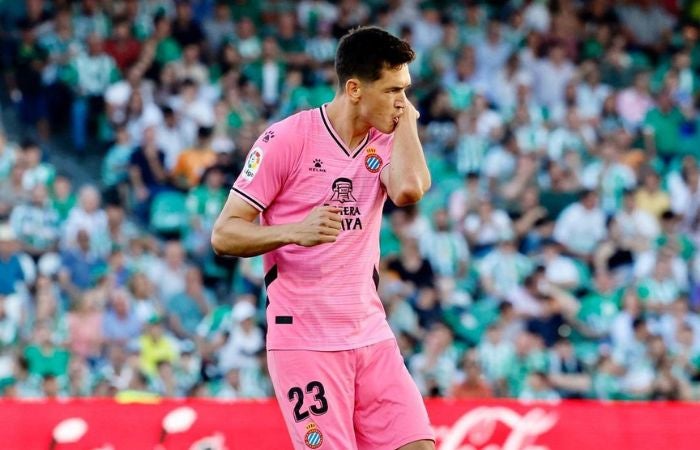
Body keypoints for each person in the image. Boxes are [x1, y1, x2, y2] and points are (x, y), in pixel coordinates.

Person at [212, 26, 434, 450]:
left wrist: (405, 120)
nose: (401, 102)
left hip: (370, 334)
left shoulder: (386, 139)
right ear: (354, 89)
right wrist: (294, 231)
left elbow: (409, 190)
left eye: (405, 90)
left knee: (419, 445)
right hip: (304, 341)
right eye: (391, 90)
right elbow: (224, 234)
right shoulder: (288, 140)